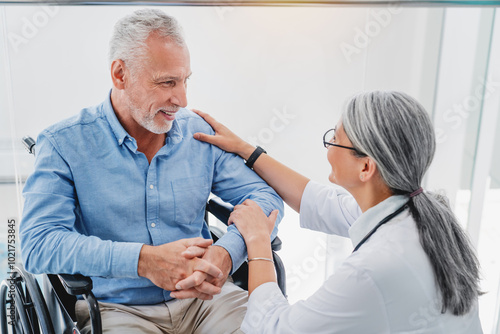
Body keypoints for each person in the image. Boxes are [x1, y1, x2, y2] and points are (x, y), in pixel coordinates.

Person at [20, 9, 283, 334]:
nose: (182, 99)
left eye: (185, 80)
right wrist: (143, 260)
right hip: (119, 309)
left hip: (206, 301)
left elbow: (265, 198)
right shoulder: (64, 144)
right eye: (166, 83)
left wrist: (227, 252)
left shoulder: (198, 133)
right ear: (120, 74)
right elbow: (37, 243)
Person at [180, 91, 484, 333]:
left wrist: (258, 244)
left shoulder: (371, 271)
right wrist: (247, 150)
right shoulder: (418, 213)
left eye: (334, 140)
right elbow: (319, 201)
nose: (328, 150)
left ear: (366, 167)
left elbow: (272, 328)